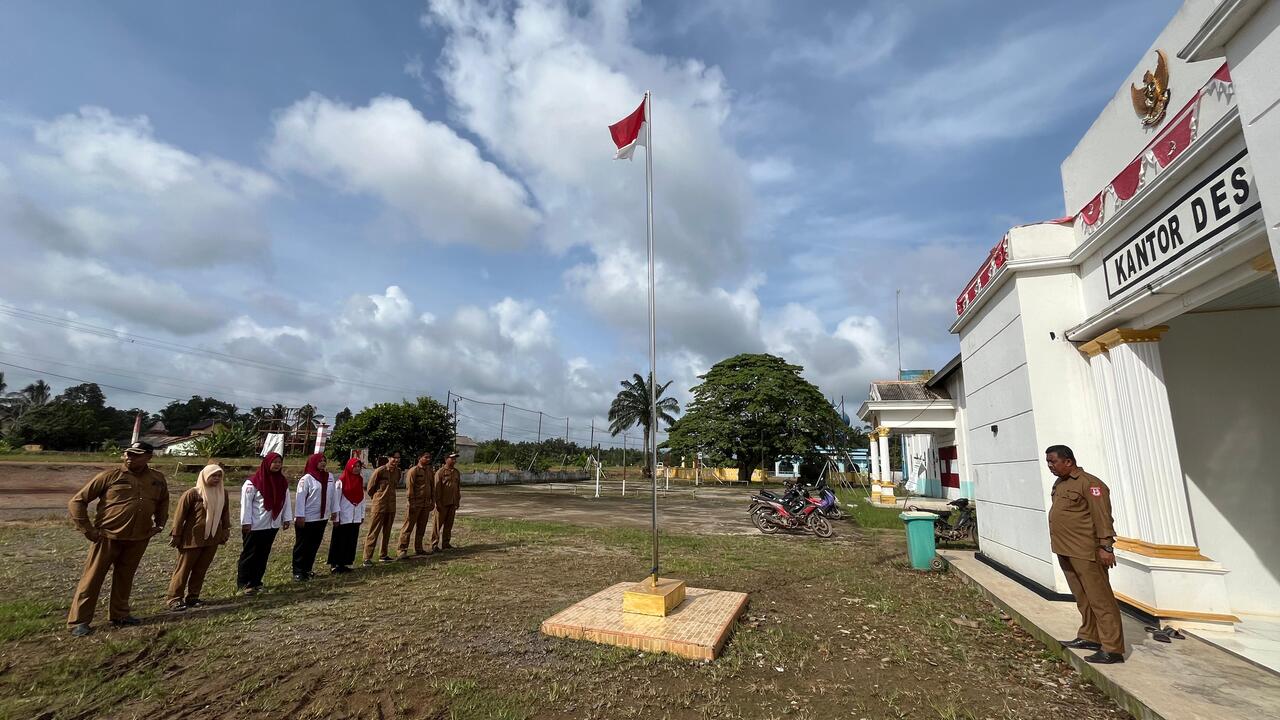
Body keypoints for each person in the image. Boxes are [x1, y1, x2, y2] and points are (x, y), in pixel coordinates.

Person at [66, 441, 169, 637]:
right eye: (127, 454)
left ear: (148, 457)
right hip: (108, 536)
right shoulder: (110, 475)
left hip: (139, 537)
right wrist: (88, 530)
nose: (129, 457)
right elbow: (77, 501)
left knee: (125, 578)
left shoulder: (157, 478)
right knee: (92, 578)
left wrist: (160, 524)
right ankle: (79, 621)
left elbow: (163, 501)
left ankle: (120, 614)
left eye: (136, 454)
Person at [1046, 445, 1125, 664]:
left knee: (1101, 599)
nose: (1050, 466)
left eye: (1053, 462)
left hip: (1086, 550)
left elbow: (1102, 518)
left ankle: (1112, 647)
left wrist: (1106, 546)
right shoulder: (1061, 483)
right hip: (1065, 548)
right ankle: (1090, 636)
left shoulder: (1091, 484)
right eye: (1048, 463)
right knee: (1082, 597)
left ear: (1068, 461)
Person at [165, 463, 231, 611]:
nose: (216, 478)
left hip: (212, 537)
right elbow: (179, 516)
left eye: (219, 476)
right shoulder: (193, 493)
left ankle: (193, 596)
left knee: (201, 569)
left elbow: (224, 514)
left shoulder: (222, 493)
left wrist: (225, 530)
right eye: (213, 475)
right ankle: (174, 598)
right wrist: (176, 534)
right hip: (192, 538)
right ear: (205, 476)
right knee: (183, 569)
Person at [237, 452, 293, 595]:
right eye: (274, 462)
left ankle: (256, 581)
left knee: (263, 554)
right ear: (267, 463)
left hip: (271, 524)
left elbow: (285, 502)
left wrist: (286, 518)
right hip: (255, 525)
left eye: (279, 462)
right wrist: (246, 523)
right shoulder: (253, 482)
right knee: (250, 554)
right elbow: (246, 505)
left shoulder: (282, 481)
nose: (277, 465)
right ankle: (244, 583)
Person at [292, 453, 335, 581]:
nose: (323, 463)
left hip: (321, 517)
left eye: (324, 460)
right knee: (302, 545)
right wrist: (300, 516)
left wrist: (334, 511)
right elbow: (300, 499)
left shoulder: (329, 477)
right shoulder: (307, 479)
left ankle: (307, 569)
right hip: (307, 517)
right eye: (320, 461)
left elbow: (332, 495)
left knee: (314, 545)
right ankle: (298, 571)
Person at [328, 457, 365, 574]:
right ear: (350, 467)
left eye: (359, 467)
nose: (357, 469)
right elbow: (336, 501)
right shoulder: (341, 481)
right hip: (343, 517)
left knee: (351, 540)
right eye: (355, 467)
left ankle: (344, 563)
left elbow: (362, 499)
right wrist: (336, 517)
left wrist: (361, 515)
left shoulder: (360, 480)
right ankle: (335, 564)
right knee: (339, 540)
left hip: (354, 517)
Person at [363, 452, 400, 565]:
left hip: (391, 506)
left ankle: (383, 555)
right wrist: (377, 499)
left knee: (387, 532)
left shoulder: (398, 472)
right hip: (379, 505)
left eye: (398, 458)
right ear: (389, 458)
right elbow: (370, 488)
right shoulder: (380, 470)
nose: (396, 460)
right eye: (394, 458)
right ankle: (367, 558)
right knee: (373, 532)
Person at [397, 452, 435, 558]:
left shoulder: (429, 471)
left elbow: (432, 487)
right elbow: (410, 488)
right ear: (419, 458)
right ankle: (402, 550)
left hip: (426, 504)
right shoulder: (413, 471)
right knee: (408, 527)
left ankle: (418, 548)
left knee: (421, 528)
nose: (428, 459)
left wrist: (433, 501)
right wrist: (411, 502)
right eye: (425, 457)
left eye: (429, 458)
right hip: (415, 503)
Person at [431, 452, 462, 551]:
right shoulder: (440, 472)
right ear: (446, 459)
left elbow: (457, 487)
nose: (454, 460)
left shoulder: (456, 472)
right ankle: (434, 544)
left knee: (449, 524)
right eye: (452, 458)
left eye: (455, 459)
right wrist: (437, 502)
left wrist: (457, 501)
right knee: (437, 525)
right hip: (442, 503)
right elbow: (436, 489)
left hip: (452, 503)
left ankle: (446, 543)